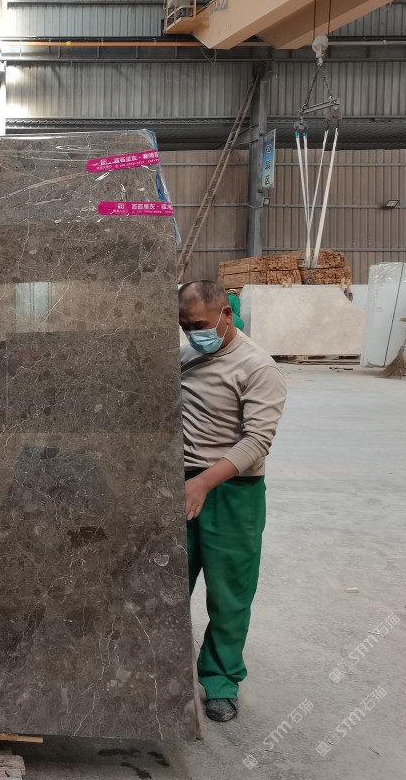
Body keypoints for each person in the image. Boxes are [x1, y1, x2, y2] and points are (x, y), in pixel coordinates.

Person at [178, 280, 287, 723]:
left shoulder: (258, 367)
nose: (194, 333)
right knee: (168, 586)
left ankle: (221, 680)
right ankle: (159, 672)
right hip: (182, 483)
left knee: (229, 595)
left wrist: (204, 483)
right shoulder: (186, 357)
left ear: (226, 314)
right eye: (186, 326)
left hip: (232, 491)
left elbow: (257, 440)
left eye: (200, 324)